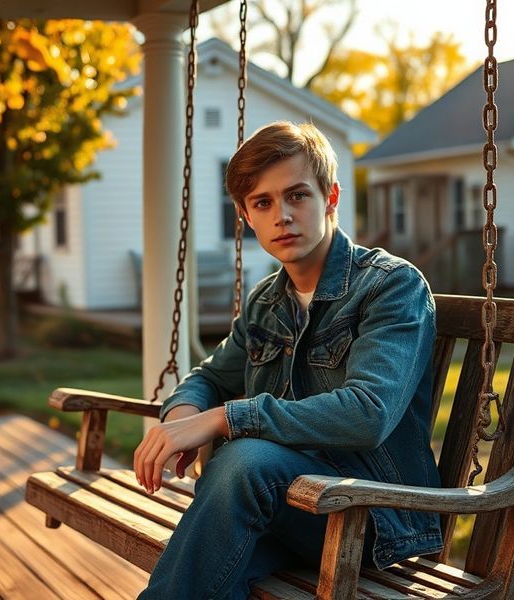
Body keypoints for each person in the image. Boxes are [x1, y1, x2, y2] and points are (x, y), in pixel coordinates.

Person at [134, 121, 443, 599]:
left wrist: (224, 420)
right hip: (288, 511)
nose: (282, 215)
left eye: (297, 195)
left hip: (369, 517)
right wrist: (181, 419)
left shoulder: (389, 286)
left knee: (244, 460)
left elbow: (368, 413)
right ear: (246, 216)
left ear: (331, 197)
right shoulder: (266, 301)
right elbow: (211, 376)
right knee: (205, 575)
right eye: (263, 202)